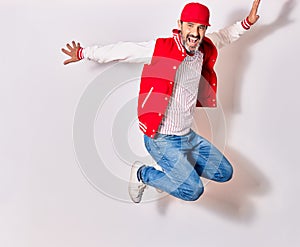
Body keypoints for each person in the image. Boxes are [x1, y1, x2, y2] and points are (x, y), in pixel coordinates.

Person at [62, 1, 261, 203]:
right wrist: (84, 53)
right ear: (180, 24)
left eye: (201, 27)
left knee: (224, 172)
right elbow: (123, 50)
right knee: (193, 191)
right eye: (190, 25)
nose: (195, 32)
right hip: (161, 139)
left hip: (187, 137)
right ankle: (143, 174)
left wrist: (247, 22)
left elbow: (225, 36)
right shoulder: (162, 48)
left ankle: (170, 176)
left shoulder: (204, 48)